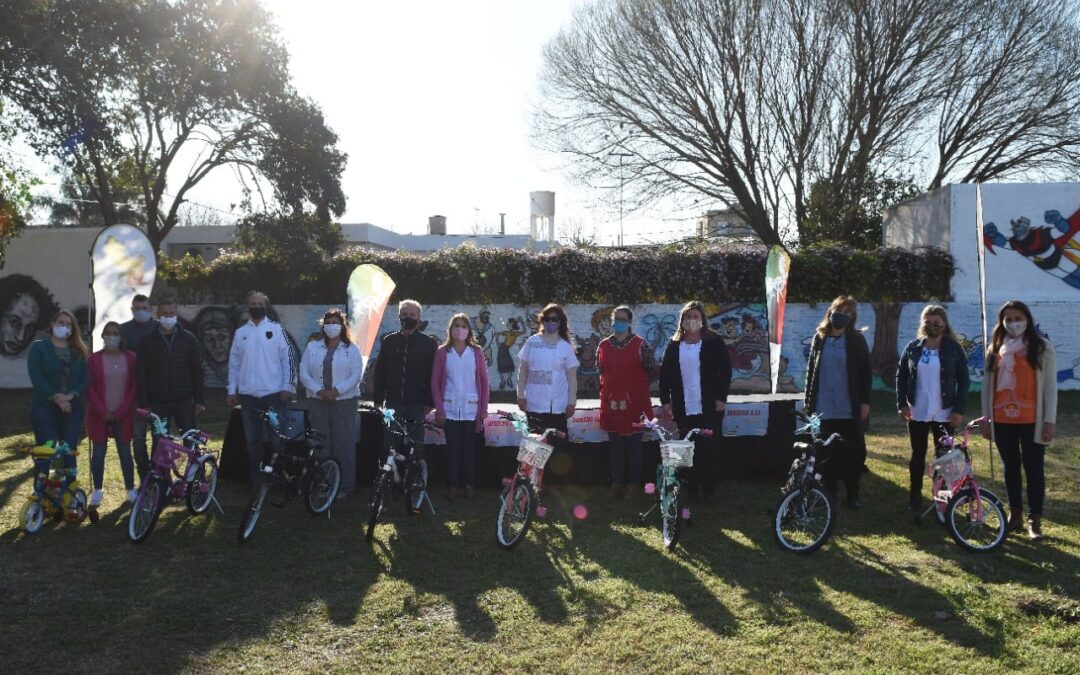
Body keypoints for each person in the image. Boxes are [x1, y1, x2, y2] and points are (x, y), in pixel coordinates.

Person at [981, 300, 1057, 540]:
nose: (1014, 323)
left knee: (1034, 468)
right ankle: (1015, 515)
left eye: (1018, 318)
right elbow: (987, 387)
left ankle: (1035, 520)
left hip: (1031, 419)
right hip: (1002, 418)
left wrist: (1049, 420)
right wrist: (987, 418)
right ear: (1002, 322)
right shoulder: (995, 348)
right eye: (1009, 319)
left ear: (1027, 319)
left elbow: (1050, 388)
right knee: (1010, 467)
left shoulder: (1042, 347)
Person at [896, 305, 970, 511]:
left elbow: (964, 380)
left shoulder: (954, 349)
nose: (932, 326)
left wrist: (959, 409)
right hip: (917, 410)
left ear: (944, 324)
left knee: (945, 456)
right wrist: (901, 403)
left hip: (945, 411)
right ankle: (915, 497)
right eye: (928, 322)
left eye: (937, 322)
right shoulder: (913, 347)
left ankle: (945, 499)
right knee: (917, 454)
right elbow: (901, 375)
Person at [658, 301, 732, 504]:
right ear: (682, 320)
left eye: (695, 316)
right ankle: (691, 488)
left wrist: (721, 398)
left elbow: (725, 371)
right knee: (687, 449)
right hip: (683, 406)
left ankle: (709, 490)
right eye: (687, 316)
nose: (691, 320)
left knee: (709, 449)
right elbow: (664, 375)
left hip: (709, 406)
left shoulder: (713, 341)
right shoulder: (674, 345)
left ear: (702, 320)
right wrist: (665, 401)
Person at [804, 296, 872, 509]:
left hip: (848, 406)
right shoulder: (820, 337)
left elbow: (865, 373)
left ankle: (853, 493)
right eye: (838, 310)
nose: (841, 315)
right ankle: (828, 492)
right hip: (824, 406)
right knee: (825, 453)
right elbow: (811, 371)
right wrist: (808, 399)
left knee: (853, 451)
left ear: (852, 317)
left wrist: (864, 402)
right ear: (830, 311)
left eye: (847, 312)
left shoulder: (856, 340)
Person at [227, 291, 294, 484]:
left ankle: (279, 478)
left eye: (260, 303)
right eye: (252, 304)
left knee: (276, 439)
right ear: (248, 306)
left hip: (274, 396)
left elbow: (287, 360)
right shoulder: (241, 333)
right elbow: (234, 364)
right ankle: (256, 480)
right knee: (252, 442)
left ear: (266, 306)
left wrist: (287, 386)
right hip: (248, 398)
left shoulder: (276, 330)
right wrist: (232, 390)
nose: (256, 306)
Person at [136, 298, 205, 480]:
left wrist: (199, 400)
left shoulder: (188, 339)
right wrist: (145, 403)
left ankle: (196, 479)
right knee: (160, 442)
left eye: (171, 314)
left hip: (184, 401)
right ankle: (160, 481)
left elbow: (198, 370)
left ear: (176, 315)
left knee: (191, 439)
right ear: (157, 316)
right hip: (158, 403)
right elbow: (141, 373)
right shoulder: (147, 341)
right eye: (164, 314)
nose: (168, 317)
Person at [299, 308, 363, 498]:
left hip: (344, 401)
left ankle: (344, 486)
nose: (331, 326)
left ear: (342, 326)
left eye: (335, 322)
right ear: (323, 326)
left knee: (343, 443)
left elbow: (355, 375)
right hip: (317, 401)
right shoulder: (312, 347)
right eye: (328, 323)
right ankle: (324, 484)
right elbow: (303, 372)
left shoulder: (351, 349)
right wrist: (319, 391)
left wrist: (336, 391)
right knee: (321, 443)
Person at [516, 304, 579, 488]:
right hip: (534, 404)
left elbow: (572, 378)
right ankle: (529, 483)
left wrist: (572, 402)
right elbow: (522, 371)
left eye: (554, 320)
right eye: (547, 319)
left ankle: (556, 485)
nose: (551, 323)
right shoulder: (532, 342)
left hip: (557, 406)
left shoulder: (564, 346)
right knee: (533, 446)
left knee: (557, 449)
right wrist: (520, 395)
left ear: (560, 322)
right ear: (542, 321)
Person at [371, 299, 437, 476]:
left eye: (412, 315)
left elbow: (434, 376)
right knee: (389, 445)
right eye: (405, 315)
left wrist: (430, 402)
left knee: (417, 446)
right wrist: (377, 400)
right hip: (392, 403)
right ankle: (387, 482)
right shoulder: (389, 341)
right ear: (399, 316)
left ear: (419, 317)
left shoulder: (429, 343)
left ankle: (415, 484)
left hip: (417, 404)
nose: (408, 318)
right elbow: (380, 373)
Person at [598, 306, 656, 498]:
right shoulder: (604, 345)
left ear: (629, 322)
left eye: (622, 319)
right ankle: (616, 484)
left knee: (634, 445)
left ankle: (633, 485)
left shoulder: (640, 344)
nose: (618, 322)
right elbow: (601, 370)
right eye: (616, 319)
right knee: (615, 447)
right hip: (612, 402)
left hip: (635, 404)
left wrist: (635, 388)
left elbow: (652, 370)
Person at [431, 313, 490, 499]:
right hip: (449, 409)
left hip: (471, 410)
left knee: (469, 450)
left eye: (463, 326)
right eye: (456, 326)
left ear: (469, 330)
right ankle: (453, 485)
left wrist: (483, 410)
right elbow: (434, 382)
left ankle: (469, 484)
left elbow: (484, 381)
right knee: (452, 449)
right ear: (450, 330)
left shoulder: (476, 352)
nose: (460, 330)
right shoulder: (442, 352)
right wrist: (439, 409)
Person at [86, 321, 138, 505]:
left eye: (115, 333)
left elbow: (134, 388)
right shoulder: (93, 359)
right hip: (99, 415)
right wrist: (102, 411)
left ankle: (130, 489)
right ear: (102, 336)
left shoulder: (131, 358)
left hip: (123, 415)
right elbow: (89, 388)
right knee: (98, 453)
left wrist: (122, 410)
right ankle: (98, 490)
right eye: (108, 333)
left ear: (121, 337)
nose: (111, 336)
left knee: (125, 453)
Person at [27, 310, 88, 462]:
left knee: (69, 450)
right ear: (52, 324)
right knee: (45, 450)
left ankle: (70, 484)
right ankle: (41, 484)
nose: (64, 326)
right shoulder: (39, 347)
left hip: (72, 408)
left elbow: (84, 379)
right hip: (44, 407)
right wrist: (57, 398)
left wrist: (70, 396)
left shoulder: (79, 350)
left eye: (68, 324)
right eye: (61, 322)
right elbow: (36, 377)